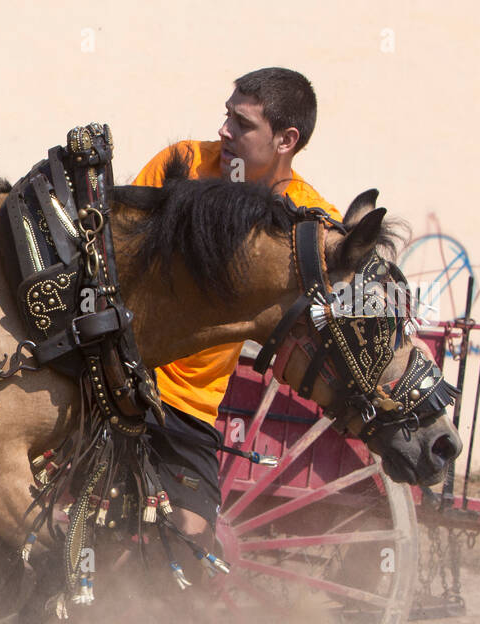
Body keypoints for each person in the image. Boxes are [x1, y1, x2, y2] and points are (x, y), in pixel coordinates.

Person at [133, 67, 341, 548]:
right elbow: (119, 250)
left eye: (242, 124)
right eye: (226, 117)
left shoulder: (307, 224)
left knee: (190, 536)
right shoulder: (182, 163)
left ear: (286, 139)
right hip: (121, 374)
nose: (224, 131)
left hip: (188, 402)